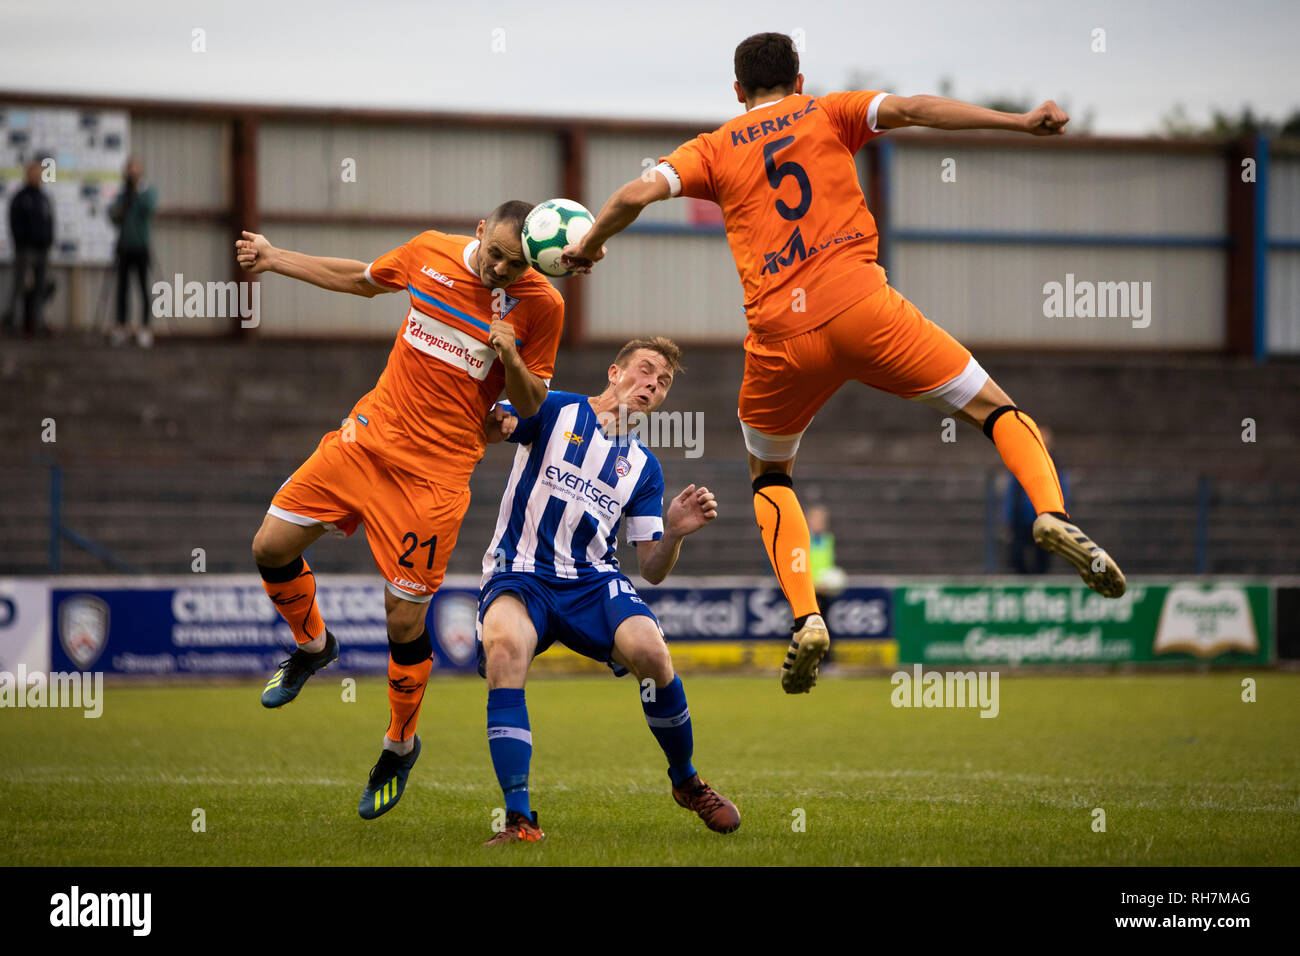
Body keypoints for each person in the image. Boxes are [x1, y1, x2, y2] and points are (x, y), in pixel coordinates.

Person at [562, 32, 1126, 696]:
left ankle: (805, 616)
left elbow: (633, 194)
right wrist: (1020, 122)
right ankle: (1050, 510)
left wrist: (591, 245)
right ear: (798, 79)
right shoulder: (828, 111)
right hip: (862, 307)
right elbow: (915, 108)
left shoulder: (711, 148)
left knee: (771, 477)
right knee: (995, 408)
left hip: (779, 338)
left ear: (737, 91)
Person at [235, 201, 564, 820]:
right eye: (493, 253)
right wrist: (276, 258)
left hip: (435, 479)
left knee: (403, 621)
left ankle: (398, 745)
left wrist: (511, 357)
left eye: (513, 263)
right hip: (365, 440)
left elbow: (530, 404)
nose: (498, 268)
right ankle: (313, 645)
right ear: (477, 233)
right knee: (269, 546)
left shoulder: (543, 304)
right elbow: (361, 279)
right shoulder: (427, 252)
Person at [476, 337, 740, 844]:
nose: (652, 385)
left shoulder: (644, 468)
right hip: (521, 571)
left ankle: (686, 781)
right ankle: (520, 821)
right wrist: (500, 416)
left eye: (661, 383)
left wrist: (675, 532)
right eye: (645, 371)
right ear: (615, 372)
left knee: (652, 653)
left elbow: (652, 568)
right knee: (504, 652)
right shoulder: (557, 408)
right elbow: (500, 423)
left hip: (593, 581)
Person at [1005, 426, 1070, 574]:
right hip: (1023, 521)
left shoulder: (1057, 467)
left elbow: (1062, 493)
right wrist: (1009, 520)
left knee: (1043, 559)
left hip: (1046, 519)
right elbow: (1011, 494)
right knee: (1017, 556)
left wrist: (1060, 518)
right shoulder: (1023, 463)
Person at [107, 157, 158, 347]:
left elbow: (149, 208)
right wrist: (123, 204)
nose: (132, 174)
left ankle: (145, 327)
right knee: (122, 288)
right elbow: (113, 214)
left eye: (135, 170)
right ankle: (121, 325)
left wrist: (136, 193)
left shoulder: (147, 193)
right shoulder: (122, 195)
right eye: (129, 170)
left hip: (141, 246)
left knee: (143, 287)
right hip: (124, 246)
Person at [4, 158, 54, 337]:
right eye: (33, 173)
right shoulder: (20, 198)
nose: (37, 176)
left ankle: (36, 323)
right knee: (19, 287)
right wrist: (22, 242)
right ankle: (15, 323)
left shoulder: (44, 198)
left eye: (39, 173)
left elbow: (49, 222)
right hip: (25, 250)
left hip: (42, 250)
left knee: (41, 288)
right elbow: (14, 222)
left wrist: (48, 242)